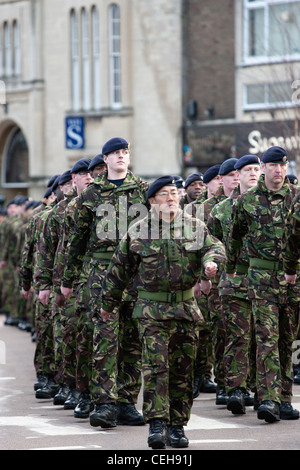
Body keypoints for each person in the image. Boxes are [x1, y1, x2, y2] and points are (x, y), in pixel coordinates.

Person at [99, 175, 227, 449]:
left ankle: (177, 426)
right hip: (151, 312)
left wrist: (210, 263)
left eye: (174, 193)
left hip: (185, 310)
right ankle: (157, 423)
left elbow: (215, 247)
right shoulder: (138, 231)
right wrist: (107, 305)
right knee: (156, 369)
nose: (172, 198)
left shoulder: (194, 227)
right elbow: (117, 272)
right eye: (165, 194)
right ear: (152, 201)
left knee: (182, 370)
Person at [61, 137, 149, 428]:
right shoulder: (92, 194)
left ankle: (126, 401)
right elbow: (78, 240)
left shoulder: (143, 190)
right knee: (104, 339)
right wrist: (68, 280)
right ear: (106, 159)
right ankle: (105, 403)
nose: (121, 157)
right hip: (101, 273)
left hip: (135, 275)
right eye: (115, 153)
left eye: (125, 152)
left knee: (132, 340)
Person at [226, 146, 299, 423]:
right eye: (272, 166)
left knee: (286, 339)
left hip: (292, 280)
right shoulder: (249, 200)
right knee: (266, 338)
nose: (278, 170)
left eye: (282, 165)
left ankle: (284, 398)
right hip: (261, 280)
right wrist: (232, 269)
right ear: (264, 168)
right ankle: (267, 398)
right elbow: (235, 236)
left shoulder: (296, 196)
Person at [208, 155, 261, 414]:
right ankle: (236, 388)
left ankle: (264, 390)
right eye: (247, 170)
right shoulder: (221, 210)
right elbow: (212, 246)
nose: (252, 174)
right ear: (236, 175)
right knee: (238, 336)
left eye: (256, 169)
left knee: (263, 338)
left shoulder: (271, 205)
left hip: (265, 282)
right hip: (233, 282)